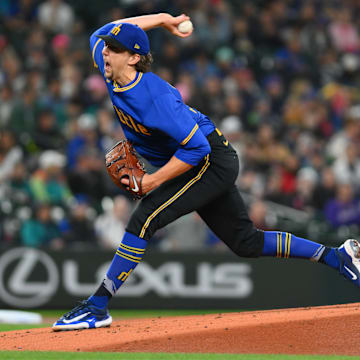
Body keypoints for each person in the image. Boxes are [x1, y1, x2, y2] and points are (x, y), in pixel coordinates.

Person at [53, 13, 360, 331]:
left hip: (210, 160)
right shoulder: (108, 67)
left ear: (133, 58)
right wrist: (161, 20)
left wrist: (152, 180)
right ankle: (336, 257)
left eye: (114, 49)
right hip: (199, 160)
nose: (105, 51)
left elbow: (197, 149)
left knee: (145, 217)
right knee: (246, 242)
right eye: (108, 47)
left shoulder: (154, 98)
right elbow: (100, 32)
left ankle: (97, 305)